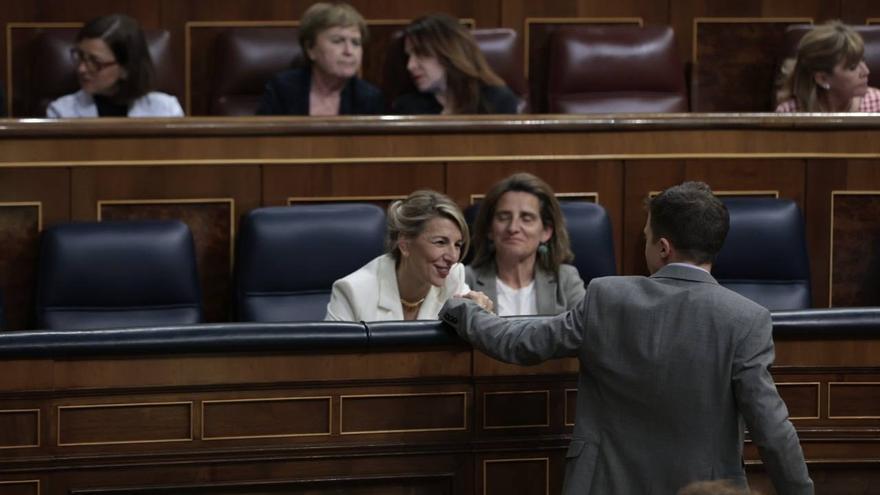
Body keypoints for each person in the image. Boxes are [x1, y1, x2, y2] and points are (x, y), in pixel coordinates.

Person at [441, 182, 813, 494]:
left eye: (648, 237)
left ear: (663, 248)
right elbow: (773, 430)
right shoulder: (747, 319)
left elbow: (518, 343)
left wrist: (462, 309)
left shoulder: (607, 297)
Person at [325, 190, 491, 321]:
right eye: (440, 242)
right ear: (404, 244)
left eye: (457, 245)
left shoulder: (453, 278)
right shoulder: (353, 292)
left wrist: (481, 313)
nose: (453, 257)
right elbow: (330, 362)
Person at [467, 173, 585, 315]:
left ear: (546, 231)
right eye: (503, 217)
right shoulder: (466, 280)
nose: (513, 228)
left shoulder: (565, 280)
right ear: (489, 229)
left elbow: (589, 331)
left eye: (526, 218)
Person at [256, 2, 383, 116]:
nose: (348, 51)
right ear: (310, 48)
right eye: (337, 41)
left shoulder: (369, 98)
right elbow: (261, 141)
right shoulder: (282, 90)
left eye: (355, 43)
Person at [46, 14, 183, 118]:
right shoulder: (61, 112)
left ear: (126, 68)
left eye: (95, 62)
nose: (81, 69)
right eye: (80, 56)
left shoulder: (167, 110)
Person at [391, 13, 519, 115]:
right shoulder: (407, 107)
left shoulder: (496, 100)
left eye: (422, 53)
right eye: (409, 56)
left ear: (449, 53)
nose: (410, 66)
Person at [776, 20, 879, 112]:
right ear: (823, 79)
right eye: (852, 67)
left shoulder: (877, 105)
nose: (866, 71)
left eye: (863, 60)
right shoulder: (789, 113)